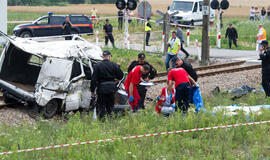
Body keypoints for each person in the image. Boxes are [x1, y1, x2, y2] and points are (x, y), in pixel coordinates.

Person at [90, 50, 124, 119]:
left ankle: (102, 121)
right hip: (112, 88)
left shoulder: (97, 66)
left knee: (101, 106)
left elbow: (93, 80)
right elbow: (121, 76)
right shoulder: (114, 65)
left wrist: (92, 91)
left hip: (102, 88)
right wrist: (115, 80)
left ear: (103, 57)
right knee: (110, 106)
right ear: (109, 57)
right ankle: (110, 120)